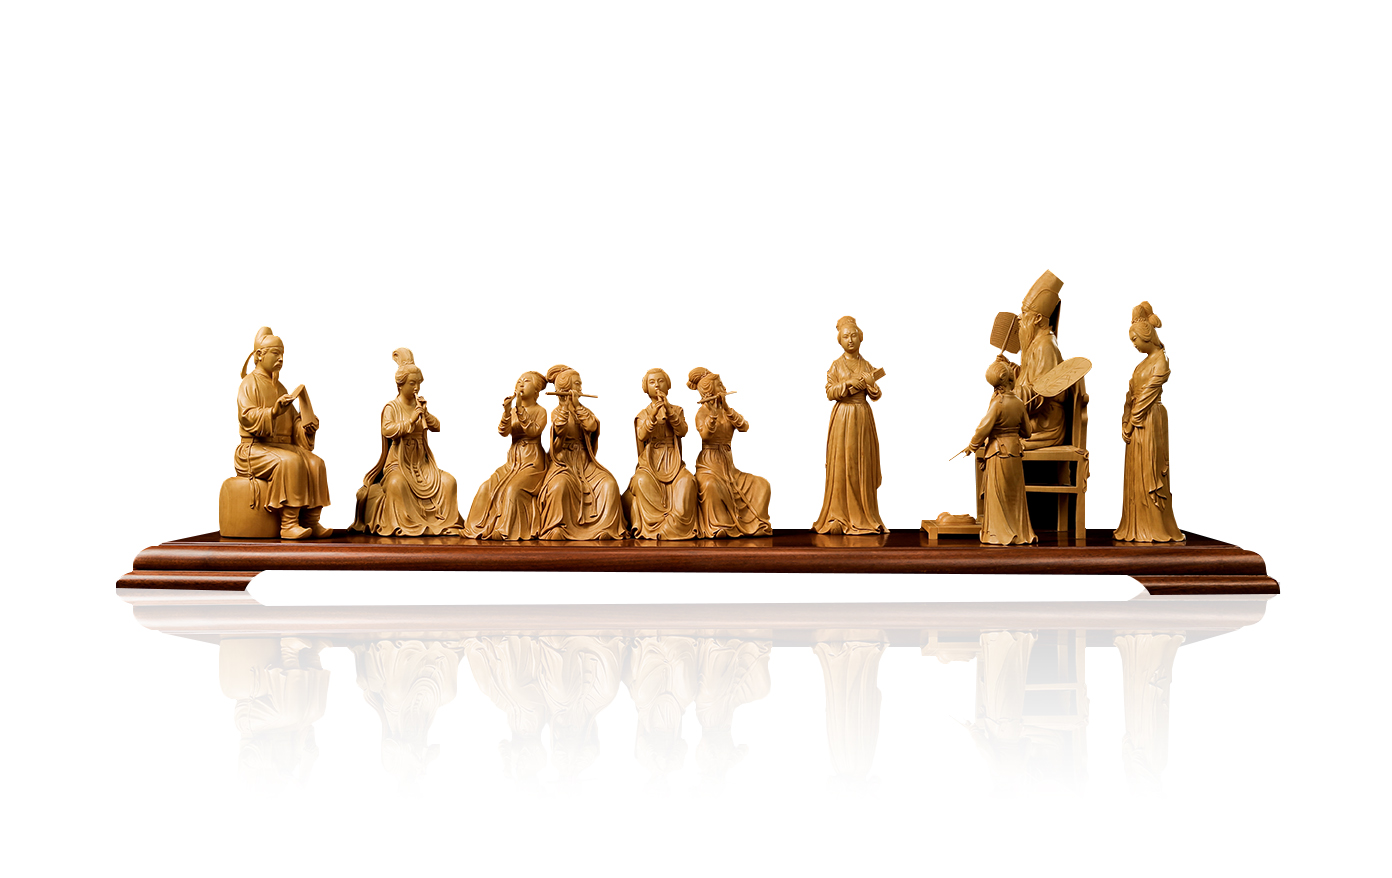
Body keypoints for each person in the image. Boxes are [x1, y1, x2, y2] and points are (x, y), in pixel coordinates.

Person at [234, 326, 331, 539]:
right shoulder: (248, 384)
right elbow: (246, 416)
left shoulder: (281, 388)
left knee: (316, 463)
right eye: (275, 353)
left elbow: (293, 423)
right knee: (290, 462)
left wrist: (306, 425)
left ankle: (311, 521)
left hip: (282, 446)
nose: (281, 359)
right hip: (254, 448)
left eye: (282, 354)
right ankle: (289, 524)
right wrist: (273, 412)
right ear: (260, 355)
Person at [352, 348, 462, 536]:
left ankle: (444, 523)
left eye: (418, 383)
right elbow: (387, 430)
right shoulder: (392, 407)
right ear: (400, 385)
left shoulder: (419, 405)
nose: (416, 387)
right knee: (396, 484)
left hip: (422, 463)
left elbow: (437, 426)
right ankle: (406, 525)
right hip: (399, 462)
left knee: (449, 481)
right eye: (412, 383)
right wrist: (410, 421)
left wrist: (425, 414)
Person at [1114, 302, 1184, 542]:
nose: (1133, 344)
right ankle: (1134, 525)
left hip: (1150, 419)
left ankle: (1154, 526)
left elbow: (1147, 396)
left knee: (1150, 472)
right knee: (1136, 472)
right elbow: (1131, 395)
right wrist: (1125, 419)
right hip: (1136, 421)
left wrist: (1132, 421)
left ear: (1146, 335)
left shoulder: (1161, 361)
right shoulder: (1140, 365)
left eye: (1135, 339)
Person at [812, 315, 888, 534]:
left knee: (861, 463)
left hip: (862, 416)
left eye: (854, 335)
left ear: (861, 337)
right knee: (841, 464)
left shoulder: (866, 365)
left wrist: (871, 384)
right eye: (846, 336)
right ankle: (838, 514)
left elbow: (876, 395)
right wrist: (847, 383)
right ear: (840, 340)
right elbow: (829, 392)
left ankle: (864, 515)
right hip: (843, 416)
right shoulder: (836, 366)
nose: (850, 340)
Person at [537, 364, 627, 540]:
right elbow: (559, 431)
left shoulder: (584, 411)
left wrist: (577, 407)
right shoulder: (557, 412)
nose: (580, 388)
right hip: (563, 462)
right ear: (566, 388)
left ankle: (606, 528)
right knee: (559, 486)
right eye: (577, 384)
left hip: (585, 462)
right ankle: (557, 527)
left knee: (608, 484)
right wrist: (566, 407)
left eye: (580, 384)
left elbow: (591, 426)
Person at [462, 371, 551, 540]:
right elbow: (503, 431)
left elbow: (533, 431)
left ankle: (506, 530)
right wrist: (507, 411)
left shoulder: (540, 411)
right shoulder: (513, 411)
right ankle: (476, 527)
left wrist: (520, 409)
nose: (521, 384)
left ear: (536, 391)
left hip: (532, 461)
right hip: (513, 462)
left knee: (512, 490)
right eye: (519, 381)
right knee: (486, 487)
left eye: (526, 381)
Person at [688, 367, 772, 538]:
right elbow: (706, 435)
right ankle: (719, 526)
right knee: (711, 486)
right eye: (720, 385)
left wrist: (726, 408)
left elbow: (744, 426)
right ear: (710, 391)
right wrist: (712, 414)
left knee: (761, 484)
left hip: (728, 465)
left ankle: (755, 524)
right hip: (709, 464)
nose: (724, 388)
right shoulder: (701, 413)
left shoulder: (727, 411)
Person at [965, 358, 1037, 546]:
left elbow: (983, 428)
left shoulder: (998, 403)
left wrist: (972, 445)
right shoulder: (1018, 403)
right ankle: (1019, 532)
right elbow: (1027, 432)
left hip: (998, 453)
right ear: (1010, 380)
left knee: (998, 495)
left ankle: (998, 533)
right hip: (1014, 452)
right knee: (1014, 495)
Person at [622, 368, 698, 539]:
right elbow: (642, 435)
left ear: (668, 385)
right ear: (646, 388)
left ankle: (677, 524)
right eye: (652, 382)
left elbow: (682, 431)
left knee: (687, 481)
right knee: (641, 481)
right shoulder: (643, 414)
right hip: (650, 462)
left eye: (660, 381)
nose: (656, 385)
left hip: (673, 461)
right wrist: (653, 415)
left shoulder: (677, 410)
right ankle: (655, 526)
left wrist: (669, 410)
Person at [1010, 270, 1069, 450]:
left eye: (1024, 312)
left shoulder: (1045, 345)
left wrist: (1012, 395)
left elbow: (1042, 394)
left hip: (1044, 422)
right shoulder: (1036, 342)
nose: (1019, 317)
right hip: (1035, 416)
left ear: (1037, 318)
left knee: (1001, 431)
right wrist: (1009, 369)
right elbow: (1029, 377)